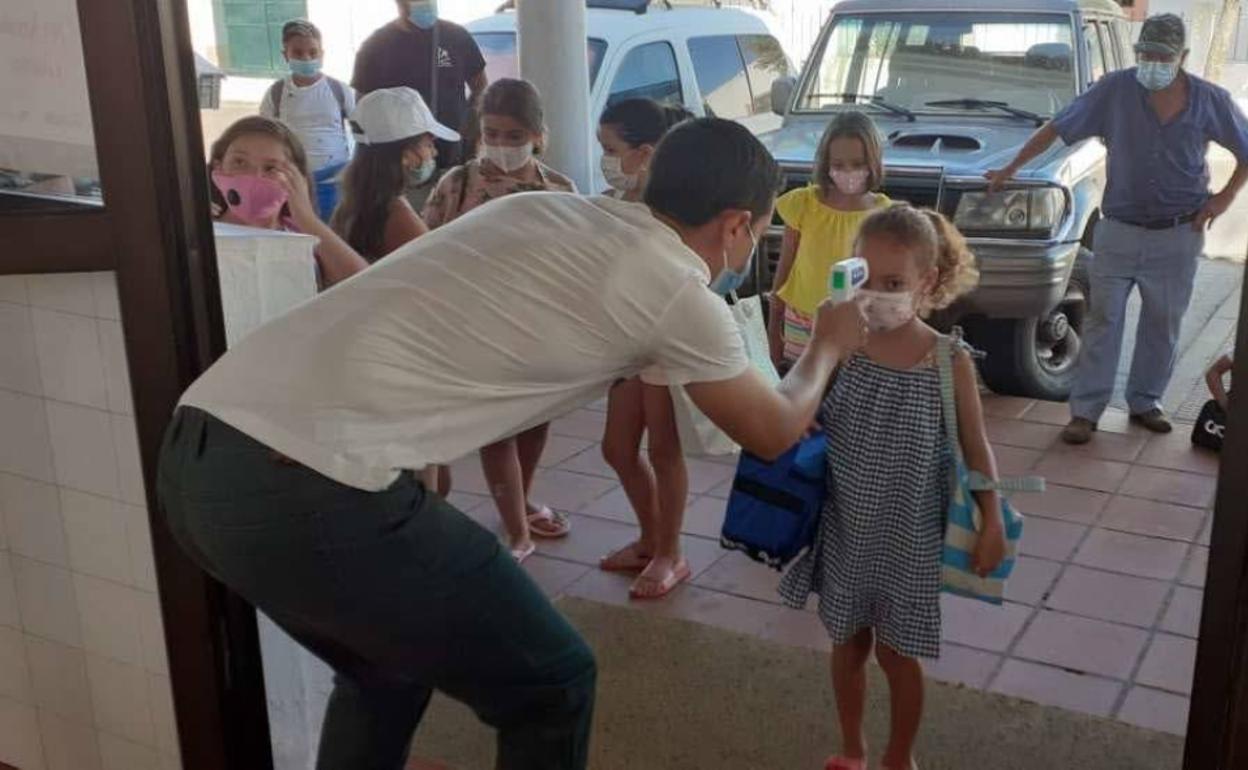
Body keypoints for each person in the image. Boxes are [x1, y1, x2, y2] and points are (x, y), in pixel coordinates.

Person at [160, 117, 869, 769]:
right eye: (756, 232)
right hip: (307, 481)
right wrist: (828, 344)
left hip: (196, 455)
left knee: (385, 669)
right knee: (553, 683)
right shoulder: (676, 292)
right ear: (737, 224)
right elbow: (771, 431)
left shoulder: (538, 208)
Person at [779, 204, 998, 770]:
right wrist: (806, 420)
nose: (876, 295)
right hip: (846, 528)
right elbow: (799, 406)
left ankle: (900, 756)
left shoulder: (949, 360)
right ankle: (852, 746)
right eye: (864, 278)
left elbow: (976, 447)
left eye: (894, 283)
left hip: (910, 538)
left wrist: (992, 519)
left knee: (900, 655)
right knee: (848, 643)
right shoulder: (840, 346)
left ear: (928, 281)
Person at [986, 14, 1248, 445]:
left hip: (1178, 233)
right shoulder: (1115, 90)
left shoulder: (1209, 100)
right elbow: (1058, 127)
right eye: (1145, 54)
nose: (1152, 63)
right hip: (1120, 229)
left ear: (1182, 57)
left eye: (1162, 57)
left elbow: (1246, 149)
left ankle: (1146, 402)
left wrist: (1223, 198)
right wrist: (1010, 169)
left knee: (1163, 323)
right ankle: (1085, 412)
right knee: (1103, 320)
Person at [422, 78, 578, 561]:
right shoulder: (457, 184)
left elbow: (575, 262)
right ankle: (516, 531)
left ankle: (521, 499)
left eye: (514, 136)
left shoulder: (558, 189)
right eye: (492, 133)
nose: (502, 145)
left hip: (538, 326)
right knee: (498, 429)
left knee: (534, 420)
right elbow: (425, 249)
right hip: (473, 325)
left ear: (538, 136)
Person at [330, 87, 459, 496]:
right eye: (426, 142)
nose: (433, 150)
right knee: (427, 480)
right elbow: (437, 286)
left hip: (368, 354)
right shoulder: (395, 213)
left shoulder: (352, 206)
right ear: (404, 154)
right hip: (405, 358)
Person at [594, 99, 698, 599]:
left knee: (662, 448)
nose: (605, 160)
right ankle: (651, 539)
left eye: (611, 149)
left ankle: (670, 553)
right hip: (626, 340)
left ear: (645, 152)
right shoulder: (615, 203)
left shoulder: (672, 208)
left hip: (664, 338)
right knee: (617, 448)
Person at [768, 111, 890, 369]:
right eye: (839, 164)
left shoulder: (883, 214)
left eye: (857, 164)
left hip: (855, 325)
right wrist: (773, 327)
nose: (848, 172)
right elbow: (785, 267)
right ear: (825, 163)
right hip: (800, 320)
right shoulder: (803, 203)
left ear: (873, 162)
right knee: (799, 385)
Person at [352, 0, 488, 209]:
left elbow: (480, 87)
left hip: (453, 154)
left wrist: (472, 124)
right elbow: (364, 108)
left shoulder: (457, 37)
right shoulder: (376, 47)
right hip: (404, 168)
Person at [209, 116, 368, 287]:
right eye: (239, 162)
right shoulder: (203, 233)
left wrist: (307, 220)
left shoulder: (307, 237)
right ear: (218, 167)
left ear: (297, 178)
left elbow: (365, 285)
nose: (254, 176)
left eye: (271, 168)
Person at [260, 20, 356, 175]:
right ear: (285, 56)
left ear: (322, 55)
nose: (306, 58)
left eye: (313, 52)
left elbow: (362, 130)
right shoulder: (275, 93)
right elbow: (264, 137)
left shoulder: (340, 90)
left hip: (336, 178)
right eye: (298, 53)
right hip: (292, 178)